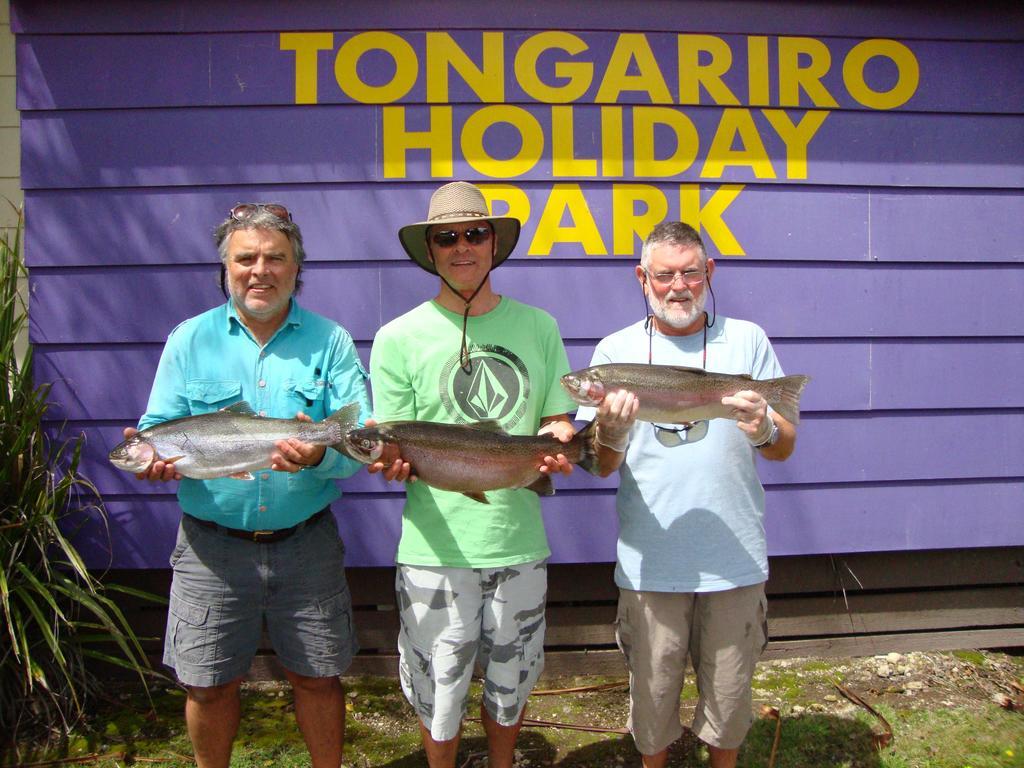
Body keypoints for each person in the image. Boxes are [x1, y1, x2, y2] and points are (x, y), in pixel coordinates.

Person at [123, 203, 370, 768]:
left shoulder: (330, 342)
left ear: (295, 267)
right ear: (226, 268)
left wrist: (315, 458)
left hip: (306, 544)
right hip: (210, 549)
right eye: (246, 259)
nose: (260, 270)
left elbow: (359, 444)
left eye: (275, 258)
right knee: (207, 685)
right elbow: (159, 425)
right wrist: (157, 459)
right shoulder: (188, 340)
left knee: (318, 679)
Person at [367, 181, 578, 768]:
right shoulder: (397, 338)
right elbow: (390, 439)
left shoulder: (539, 326)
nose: (463, 247)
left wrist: (563, 441)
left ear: (494, 244)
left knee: (511, 688)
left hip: (519, 542)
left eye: (475, 233)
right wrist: (389, 461)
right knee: (438, 691)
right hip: (433, 551)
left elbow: (557, 417)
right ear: (430, 250)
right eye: (447, 237)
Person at [577, 221, 798, 768]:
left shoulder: (748, 340)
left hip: (734, 559)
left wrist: (764, 427)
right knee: (652, 710)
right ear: (641, 278)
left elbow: (785, 447)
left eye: (690, 273)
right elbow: (601, 466)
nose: (678, 286)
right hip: (651, 563)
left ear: (709, 273)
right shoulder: (615, 352)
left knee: (728, 705)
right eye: (663, 275)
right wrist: (611, 430)